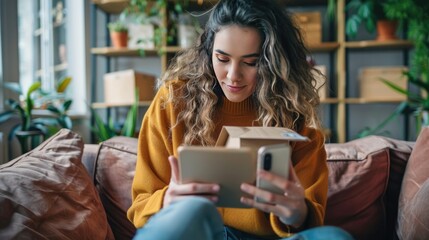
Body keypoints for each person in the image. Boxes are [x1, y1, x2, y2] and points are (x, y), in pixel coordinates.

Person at [127, 0, 354, 239]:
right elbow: (140, 207)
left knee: (334, 237)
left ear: (272, 62)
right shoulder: (172, 103)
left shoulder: (298, 126)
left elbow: (309, 222)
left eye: (251, 62)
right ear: (207, 51)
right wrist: (167, 200)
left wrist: (298, 213)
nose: (233, 76)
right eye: (222, 59)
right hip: (200, 232)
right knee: (193, 210)